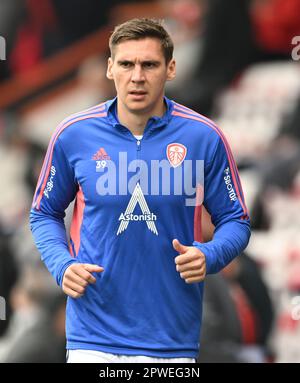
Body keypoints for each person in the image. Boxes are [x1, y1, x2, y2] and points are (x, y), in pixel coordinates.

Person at [30, 18, 251, 363]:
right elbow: (43, 212)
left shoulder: (204, 138)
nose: (137, 76)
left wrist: (211, 255)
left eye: (149, 64)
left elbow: (236, 219)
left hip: (170, 342)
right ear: (109, 68)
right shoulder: (73, 134)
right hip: (92, 338)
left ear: (171, 68)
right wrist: (62, 265)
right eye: (126, 64)